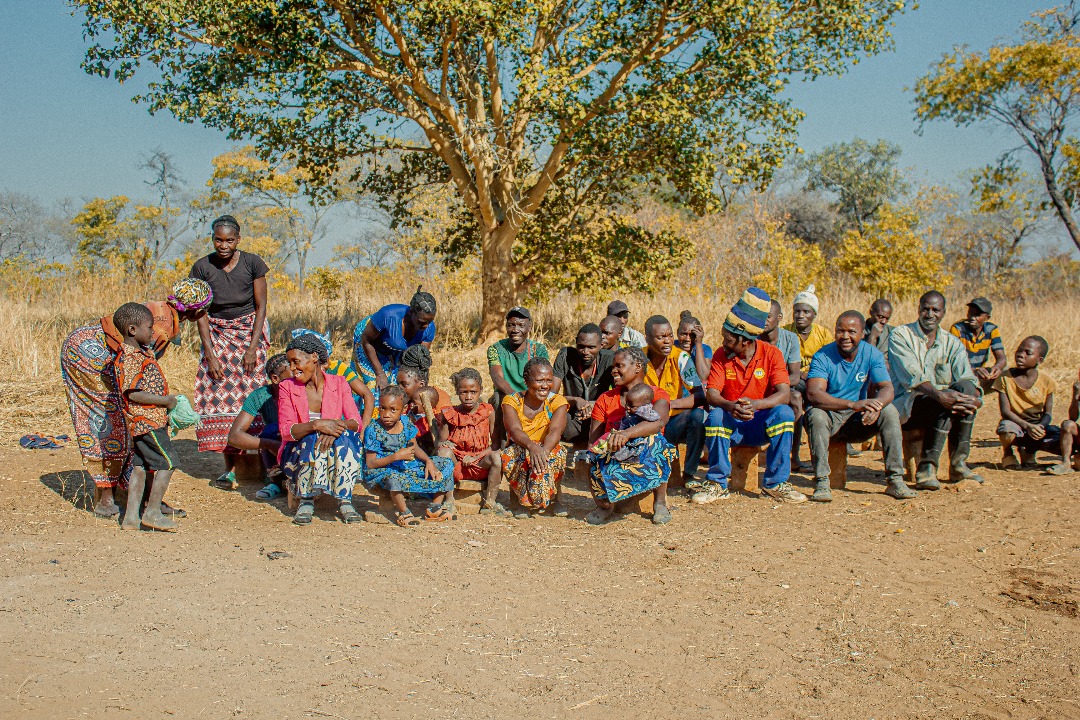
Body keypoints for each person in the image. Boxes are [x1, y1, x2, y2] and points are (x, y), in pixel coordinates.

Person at [61, 277, 212, 517]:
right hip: (87, 355)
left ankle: (132, 498)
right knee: (111, 423)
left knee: (120, 421)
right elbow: (138, 375)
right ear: (197, 311)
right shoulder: (161, 327)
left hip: (84, 345)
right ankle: (109, 499)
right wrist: (164, 403)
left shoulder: (162, 312)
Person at [697, 288, 806, 505]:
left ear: (745, 341)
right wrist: (730, 406)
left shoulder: (771, 354)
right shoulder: (721, 355)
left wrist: (755, 405)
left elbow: (784, 394)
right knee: (716, 416)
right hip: (732, 425)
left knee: (784, 413)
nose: (723, 342)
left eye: (728, 339)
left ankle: (775, 484)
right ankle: (717, 483)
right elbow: (712, 394)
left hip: (759, 424)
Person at [190, 215, 271, 488]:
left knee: (256, 397)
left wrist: (252, 348)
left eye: (229, 240)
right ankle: (230, 468)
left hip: (249, 332)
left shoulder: (252, 263)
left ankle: (265, 466)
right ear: (213, 239)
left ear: (238, 240)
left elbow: (261, 307)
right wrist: (210, 354)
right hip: (217, 335)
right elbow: (200, 312)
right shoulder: (202, 267)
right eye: (218, 240)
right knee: (219, 396)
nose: (223, 245)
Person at [804, 311, 916, 501]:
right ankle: (822, 482)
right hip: (831, 418)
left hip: (859, 420)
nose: (845, 336)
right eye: (840, 331)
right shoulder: (823, 356)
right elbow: (814, 394)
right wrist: (852, 404)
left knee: (889, 411)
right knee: (816, 414)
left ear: (863, 333)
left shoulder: (871, 354)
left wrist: (877, 406)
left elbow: (887, 387)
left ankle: (895, 480)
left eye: (851, 331)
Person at [889, 290, 984, 488]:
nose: (930, 314)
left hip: (944, 405)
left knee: (965, 389)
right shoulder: (901, 335)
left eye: (936, 310)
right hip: (907, 405)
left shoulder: (952, 342)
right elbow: (913, 377)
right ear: (918, 310)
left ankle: (958, 464)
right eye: (926, 309)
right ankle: (927, 468)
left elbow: (967, 377)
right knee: (941, 401)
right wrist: (940, 395)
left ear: (943, 313)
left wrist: (975, 399)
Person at [277, 333, 365, 525]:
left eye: (296, 362)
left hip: (333, 445)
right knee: (310, 439)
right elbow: (286, 430)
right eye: (290, 363)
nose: (292, 368)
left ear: (314, 357)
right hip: (297, 452)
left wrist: (334, 428)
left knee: (345, 438)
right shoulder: (287, 387)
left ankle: (345, 500)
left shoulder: (339, 383)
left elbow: (356, 422)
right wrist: (317, 425)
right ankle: (306, 499)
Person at [111, 303, 182, 532]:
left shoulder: (138, 354)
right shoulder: (131, 358)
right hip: (148, 422)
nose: (153, 332)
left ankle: (131, 518)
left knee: (140, 467)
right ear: (132, 330)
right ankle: (152, 512)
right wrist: (166, 401)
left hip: (143, 423)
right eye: (149, 327)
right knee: (168, 462)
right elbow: (134, 393)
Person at [588, 346, 678, 525]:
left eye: (619, 366)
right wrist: (606, 445)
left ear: (637, 367)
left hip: (646, 458)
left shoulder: (657, 394)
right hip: (615, 457)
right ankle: (604, 505)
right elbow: (593, 439)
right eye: (613, 366)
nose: (613, 370)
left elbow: (658, 422)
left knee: (657, 441)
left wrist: (626, 434)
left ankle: (660, 503)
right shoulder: (605, 399)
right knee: (593, 453)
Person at [364, 386, 456, 527]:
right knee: (393, 477)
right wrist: (396, 456)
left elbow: (415, 447)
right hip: (383, 470)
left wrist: (428, 462)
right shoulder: (373, 429)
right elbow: (370, 463)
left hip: (406, 466)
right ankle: (404, 513)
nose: (386, 414)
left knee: (445, 463)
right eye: (382, 408)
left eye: (393, 410)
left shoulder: (405, 422)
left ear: (403, 409)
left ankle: (435, 507)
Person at [995, 337, 1078, 474]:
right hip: (1016, 424)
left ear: (1040, 360)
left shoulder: (1047, 381)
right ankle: (1008, 454)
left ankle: (1029, 452)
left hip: (1037, 426)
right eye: (1019, 351)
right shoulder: (1005, 378)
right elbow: (1005, 411)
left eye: (1028, 353)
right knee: (1007, 430)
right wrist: (1027, 426)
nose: (1021, 355)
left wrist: (1040, 427)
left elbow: (1048, 413)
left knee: (1064, 442)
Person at [501, 357, 570, 518]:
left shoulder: (557, 401)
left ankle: (554, 499)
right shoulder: (512, 401)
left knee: (558, 454)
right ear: (526, 381)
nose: (545, 386)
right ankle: (521, 501)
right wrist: (532, 447)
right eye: (539, 380)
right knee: (512, 455)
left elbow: (555, 431)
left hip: (546, 446)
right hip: (522, 445)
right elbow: (515, 430)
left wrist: (543, 451)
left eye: (549, 380)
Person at [643, 315, 707, 483]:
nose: (667, 341)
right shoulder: (638, 359)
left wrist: (668, 404)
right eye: (661, 337)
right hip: (645, 422)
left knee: (698, 417)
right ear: (647, 339)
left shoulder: (680, 358)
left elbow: (700, 395)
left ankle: (689, 474)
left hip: (673, 422)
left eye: (670, 336)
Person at [352, 286, 438, 410]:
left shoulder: (429, 328)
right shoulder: (388, 316)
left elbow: (419, 362)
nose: (426, 326)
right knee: (376, 390)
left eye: (429, 322)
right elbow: (367, 340)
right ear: (411, 313)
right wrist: (380, 374)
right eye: (421, 321)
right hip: (369, 343)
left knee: (397, 385)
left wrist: (418, 388)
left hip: (398, 348)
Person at [227, 353, 293, 500]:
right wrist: (269, 444)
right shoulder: (261, 396)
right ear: (275, 379)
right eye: (293, 374)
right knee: (271, 431)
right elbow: (234, 436)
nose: (298, 378)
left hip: (300, 444)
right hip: (279, 444)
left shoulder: (306, 391)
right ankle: (276, 482)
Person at [437, 368, 504, 514]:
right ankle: (449, 501)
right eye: (464, 392)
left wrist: (476, 457)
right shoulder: (450, 414)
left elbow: (496, 444)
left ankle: (490, 502)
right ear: (457, 391)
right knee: (443, 454)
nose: (468, 397)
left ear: (481, 391)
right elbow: (440, 443)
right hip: (457, 465)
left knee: (496, 457)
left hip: (480, 463)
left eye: (473, 392)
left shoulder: (488, 412)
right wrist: (446, 445)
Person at [783, 285, 832, 473]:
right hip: (792, 382)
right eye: (797, 311)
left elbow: (829, 363)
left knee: (817, 406)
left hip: (816, 381)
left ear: (814, 315)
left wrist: (810, 374)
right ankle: (793, 456)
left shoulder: (823, 335)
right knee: (794, 402)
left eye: (806, 312)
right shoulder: (785, 332)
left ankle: (818, 457)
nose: (800, 315)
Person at [552, 324, 615, 447]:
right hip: (572, 417)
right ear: (576, 342)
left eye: (591, 347)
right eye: (581, 347)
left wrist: (593, 405)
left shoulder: (609, 359)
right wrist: (575, 400)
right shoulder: (565, 356)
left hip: (599, 417)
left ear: (601, 345)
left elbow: (619, 396)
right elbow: (551, 397)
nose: (585, 352)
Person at [950, 297, 1007, 392]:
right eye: (970, 313)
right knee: (966, 385)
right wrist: (974, 371)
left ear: (987, 318)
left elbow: (1002, 358)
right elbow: (955, 362)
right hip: (959, 373)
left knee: (1005, 373)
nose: (972, 318)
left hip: (979, 373)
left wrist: (997, 368)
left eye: (977, 315)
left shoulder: (991, 330)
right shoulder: (958, 329)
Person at [759, 300, 802, 387]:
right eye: (761, 316)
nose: (763, 320)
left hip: (780, 385)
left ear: (780, 317)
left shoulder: (790, 338)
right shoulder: (752, 338)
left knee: (796, 393)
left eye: (768, 316)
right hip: (757, 385)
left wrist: (775, 384)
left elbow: (795, 376)